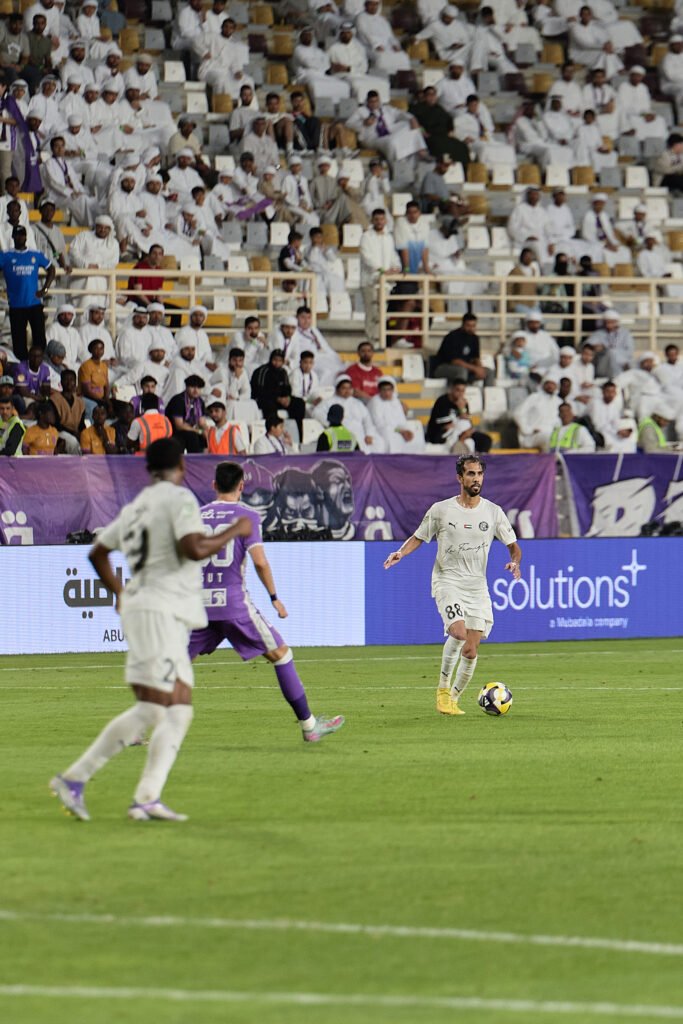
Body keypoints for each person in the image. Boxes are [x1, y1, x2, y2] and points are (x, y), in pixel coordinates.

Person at [49, 438, 253, 823]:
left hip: (150, 610)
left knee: (176, 708)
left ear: (148, 468)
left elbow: (97, 552)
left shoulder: (136, 506)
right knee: (156, 708)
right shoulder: (179, 500)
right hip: (161, 612)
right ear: (182, 466)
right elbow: (194, 548)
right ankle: (75, 779)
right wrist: (234, 530)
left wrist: (120, 592)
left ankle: (145, 797)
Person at [189, 461, 344, 742]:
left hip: (200, 605)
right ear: (241, 486)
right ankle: (310, 727)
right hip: (234, 605)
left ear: (214, 485)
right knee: (281, 654)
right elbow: (259, 561)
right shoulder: (246, 516)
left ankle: (137, 727)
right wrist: (274, 597)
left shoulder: (196, 516)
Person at [383, 454, 521, 716]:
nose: (476, 479)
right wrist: (401, 552)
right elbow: (419, 536)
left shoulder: (493, 512)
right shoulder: (441, 510)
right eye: (470, 474)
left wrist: (515, 562)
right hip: (448, 580)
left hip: (477, 587)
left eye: (479, 474)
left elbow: (514, 546)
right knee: (458, 632)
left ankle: (453, 699)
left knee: (471, 649)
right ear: (460, 477)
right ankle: (443, 690)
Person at [0, 224, 54, 359]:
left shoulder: (35, 254)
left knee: (39, 338)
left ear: (26, 236)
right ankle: (22, 366)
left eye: (22, 235)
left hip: (34, 303)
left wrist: (45, 288)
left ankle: (40, 364)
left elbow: (51, 269)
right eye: (17, 235)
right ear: (13, 237)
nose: (20, 237)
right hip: (16, 305)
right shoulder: (6, 255)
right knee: (18, 341)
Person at [431, 313, 492, 384]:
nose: (471, 328)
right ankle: (459, 390)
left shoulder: (474, 338)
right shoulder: (453, 337)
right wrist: (475, 369)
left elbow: (476, 358)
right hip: (443, 367)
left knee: (489, 372)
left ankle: (489, 391)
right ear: (463, 324)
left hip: (466, 367)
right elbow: (455, 361)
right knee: (462, 371)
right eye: (468, 326)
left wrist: (480, 368)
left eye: (473, 326)